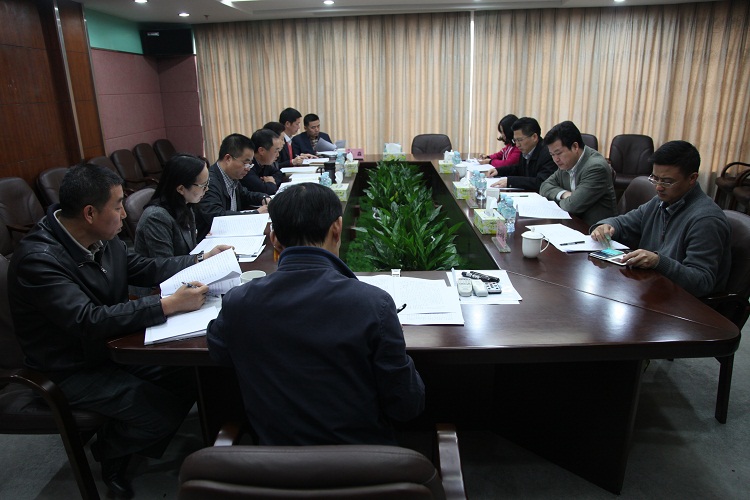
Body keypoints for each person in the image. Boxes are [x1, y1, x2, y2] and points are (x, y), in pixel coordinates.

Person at [8, 163, 212, 498]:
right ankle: (108, 451)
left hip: (110, 345)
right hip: (70, 367)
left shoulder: (102, 237)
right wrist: (167, 305)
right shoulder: (39, 259)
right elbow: (87, 320)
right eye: (118, 206)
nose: (124, 214)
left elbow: (142, 267)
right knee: (160, 415)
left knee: (194, 375)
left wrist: (199, 260)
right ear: (90, 213)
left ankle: (133, 429)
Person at [207, 183, 425, 446]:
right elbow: (406, 405)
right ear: (337, 228)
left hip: (273, 465)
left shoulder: (239, 302)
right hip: (363, 464)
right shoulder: (373, 304)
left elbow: (219, 351)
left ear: (274, 238)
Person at [590, 140, 731, 297]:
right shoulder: (660, 202)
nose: (658, 187)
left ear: (692, 178)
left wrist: (658, 262)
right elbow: (623, 222)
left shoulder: (706, 220)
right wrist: (605, 225)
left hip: (683, 303)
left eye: (667, 181)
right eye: (655, 178)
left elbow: (701, 282)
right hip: (652, 287)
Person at [135, 153, 232, 258]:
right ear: (181, 189)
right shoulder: (156, 217)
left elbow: (190, 249)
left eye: (207, 183)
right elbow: (165, 263)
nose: (207, 189)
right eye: (203, 185)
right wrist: (203, 257)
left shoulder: (186, 205)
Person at [539, 120, 617, 225]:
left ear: (575, 147)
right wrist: (564, 194)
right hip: (571, 223)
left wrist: (561, 200)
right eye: (552, 154)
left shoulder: (596, 167)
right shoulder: (566, 163)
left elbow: (572, 206)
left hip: (593, 229)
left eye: (558, 153)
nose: (556, 159)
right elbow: (544, 186)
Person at [195, 133, 270, 241]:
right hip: (212, 241)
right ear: (228, 158)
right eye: (245, 163)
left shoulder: (231, 176)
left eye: (250, 164)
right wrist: (256, 213)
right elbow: (216, 216)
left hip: (230, 235)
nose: (248, 168)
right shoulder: (210, 181)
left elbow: (245, 194)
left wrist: (263, 198)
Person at [489, 117, 556, 192]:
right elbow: (519, 169)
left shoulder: (548, 153)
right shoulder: (527, 149)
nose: (517, 145)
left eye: (520, 140)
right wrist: (499, 171)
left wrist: (511, 182)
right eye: (515, 140)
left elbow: (541, 182)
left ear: (534, 137)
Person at [240, 128, 285, 195]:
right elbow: (264, 190)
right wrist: (270, 183)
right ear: (261, 151)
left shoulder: (264, 163)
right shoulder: (247, 167)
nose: (278, 155)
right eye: (276, 151)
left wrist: (271, 180)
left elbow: (279, 173)